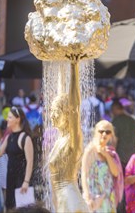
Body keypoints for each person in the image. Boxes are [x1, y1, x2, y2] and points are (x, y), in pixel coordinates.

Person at [47, 63, 89, 212]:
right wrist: (61, 66)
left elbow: (75, 107)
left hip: (70, 200)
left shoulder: (73, 138)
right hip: (62, 200)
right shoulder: (61, 138)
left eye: (56, 111)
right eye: (51, 110)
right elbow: (61, 94)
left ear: (66, 113)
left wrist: (74, 67)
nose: (52, 115)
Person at [0, 106, 34, 210]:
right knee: (10, 207)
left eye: (9, 117)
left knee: (23, 209)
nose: (7, 119)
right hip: (10, 178)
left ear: (17, 119)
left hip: (22, 179)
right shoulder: (9, 137)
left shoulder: (25, 138)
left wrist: (26, 181)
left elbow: (30, 161)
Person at [82, 120, 124, 212]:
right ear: (96, 132)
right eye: (101, 131)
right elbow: (84, 174)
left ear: (111, 135)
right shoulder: (90, 150)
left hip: (108, 197)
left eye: (108, 132)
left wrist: (106, 155)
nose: (104, 134)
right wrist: (87, 196)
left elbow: (116, 173)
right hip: (94, 197)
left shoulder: (110, 152)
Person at [111, 100, 135, 169]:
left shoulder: (116, 121)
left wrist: (112, 155)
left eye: (112, 110)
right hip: (133, 157)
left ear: (116, 108)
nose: (112, 112)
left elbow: (114, 141)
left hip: (120, 158)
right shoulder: (133, 121)